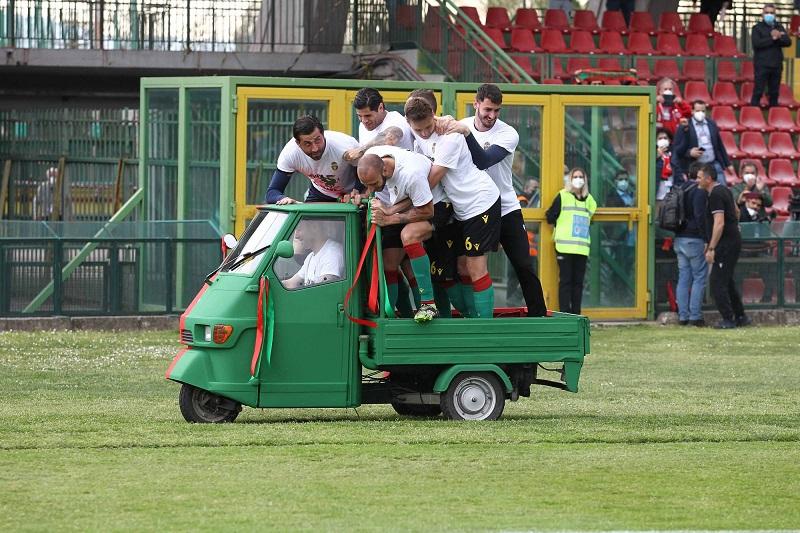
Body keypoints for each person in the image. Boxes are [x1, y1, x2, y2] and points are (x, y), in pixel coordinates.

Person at [440, 83, 547, 317]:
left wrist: (466, 134)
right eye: (487, 109)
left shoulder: (508, 133)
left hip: (505, 207)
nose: (492, 116)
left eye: (497, 111)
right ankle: (472, 317)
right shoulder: (462, 125)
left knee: (523, 264)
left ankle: (538, 318)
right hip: (469, 209)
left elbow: (484, 160)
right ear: (476, 104)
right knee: (462, 266)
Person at [405, 95, 502, 319]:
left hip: (480, 202)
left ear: (433, 116)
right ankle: (470, 320)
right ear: (409, 123)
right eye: (418, 130)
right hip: (460, 210)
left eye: (428, 126)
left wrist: (397, 207)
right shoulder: (416, 130)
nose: (425, 133)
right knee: (460, 269)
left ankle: (483, 332)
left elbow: (431, 179)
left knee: (475, 268)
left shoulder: (450, 136)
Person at [348, 87, 418, 316]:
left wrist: (362, 148)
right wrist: (362, 192)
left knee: (394, 265)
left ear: (381, 107)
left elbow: (391, 136)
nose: (364, 121)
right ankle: (405, 315)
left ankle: (399, 318)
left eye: (368, 115)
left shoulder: (396, 120)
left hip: (405, 202)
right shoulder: (363, 125)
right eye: (360, 116)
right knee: (400, 266)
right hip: (382, 203)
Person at [356, 147, 440, 323]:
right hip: (405, 204)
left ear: (384, 170)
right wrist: (359, 195)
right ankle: (388, 318)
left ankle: (428, 304)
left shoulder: (411, 175)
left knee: (409, 236)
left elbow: (427, 210)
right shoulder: (375, 156)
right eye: (366, 185)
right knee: (389, 261)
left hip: (436, 205)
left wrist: (390, 218)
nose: (370, 190)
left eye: (373, 184)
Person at [697, 163, 751, 329]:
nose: (697, 180)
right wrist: (735, 226)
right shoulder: (725, 190)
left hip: (726, 243)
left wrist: (711, 247)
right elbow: (736, 211)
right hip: (732, 240)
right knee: (727, 281)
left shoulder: (715, 195)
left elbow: (719, 223)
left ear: (708, 178)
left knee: (717, 282)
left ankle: (728, 319)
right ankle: (741, 316)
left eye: (699, 177)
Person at [266, 115, 360, 204]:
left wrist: (356, 192)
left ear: (323, 134)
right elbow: (272, 192)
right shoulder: (290, 153)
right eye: (307, 144)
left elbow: (366, 175)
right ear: (298, 143)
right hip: (320, 193)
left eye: (317, 140)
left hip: (353, 193)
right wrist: (283, 199)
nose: (315, 148)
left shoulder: (345, 145)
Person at [545, 168, 597, 314]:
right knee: (566, 282)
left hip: (581, 248)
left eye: (581, 176)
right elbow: (550, 216)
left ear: (585, 180)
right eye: (575, 176)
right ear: (570, 179)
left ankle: (576, 314)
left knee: (578, 284)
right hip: (564, 247)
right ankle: (565, 314)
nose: (578, 179)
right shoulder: (563, 196)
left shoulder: (590, 201)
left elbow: (590, 217)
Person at [674, 162, 709, 327]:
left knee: (683, 278)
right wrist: (706, 238)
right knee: (699, 277)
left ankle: (683, 315)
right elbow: (700, 216)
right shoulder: (699, 191)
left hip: (679, 237)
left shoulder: (681, 188)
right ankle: (695, 316)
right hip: (694, 238)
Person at [671, 100, 734, 186]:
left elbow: (719, 144)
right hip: (695, 166)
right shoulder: (685, 126)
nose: (700, 113)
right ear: (692, 111)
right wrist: (689, 153)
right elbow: (676, 149)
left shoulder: (711, 123)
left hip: (713, 164)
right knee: (699, 193)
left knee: (721, 189)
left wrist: (728, 164)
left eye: (703, 111)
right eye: (697, 111)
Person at [282, 219, 344, 288]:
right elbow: (291, 283)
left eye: (299, 229)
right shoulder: (311, 256)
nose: (296, 236)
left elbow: (323, 291)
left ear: (314, 227)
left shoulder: (332, 254)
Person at [751, 3, 791, 108]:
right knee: (758, 90)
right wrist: (772, 38)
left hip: (776, 65)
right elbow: (757, 44)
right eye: (767, 12)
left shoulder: (779, 27)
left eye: (772, 13)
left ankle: (773, 115)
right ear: (762, 14)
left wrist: (779, 37)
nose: (769, 15)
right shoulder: (757, 28)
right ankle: (754, 113)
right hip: (762, 64)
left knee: (774, 92)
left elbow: (788, 42)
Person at [655, 128, 674, 203]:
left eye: (665, 138)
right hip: (658, 190)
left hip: (671, 189)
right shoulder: (651, 153)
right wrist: (657, 155)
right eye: (660, 138)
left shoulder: (674, 153)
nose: (663, 140)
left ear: (669, 140)